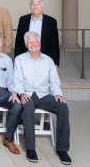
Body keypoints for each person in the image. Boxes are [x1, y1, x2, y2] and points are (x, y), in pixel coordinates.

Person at [14, 31, 71, 165]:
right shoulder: (19, 59)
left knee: (63, 107)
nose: (33, 45)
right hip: (27, 94)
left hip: (44, 95)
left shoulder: (48, 60)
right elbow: (17, 81)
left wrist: (58, 94)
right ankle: (30, 148)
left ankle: (62, 149)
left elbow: (54, 82)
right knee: (28, 106)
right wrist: (21, 93)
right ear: (25, 44)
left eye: (35, 42)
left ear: (39, 43)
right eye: (30, 42)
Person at [14, 0, 59, 67]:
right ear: (30, 6)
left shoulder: (51, 22)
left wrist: (56, 63)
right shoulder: (23, 20)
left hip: (44, 57)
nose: (35, 7)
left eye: (38, 4)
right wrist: (17, 60)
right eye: (32, 4)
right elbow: (18, 42)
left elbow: (54, 44)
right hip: (26, 57)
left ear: (42, 6)